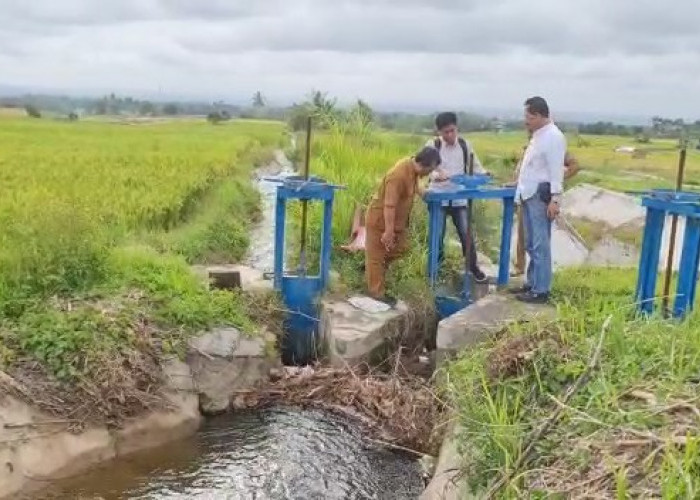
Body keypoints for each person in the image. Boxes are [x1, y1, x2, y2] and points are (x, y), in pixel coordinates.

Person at [365, 146, 441, 306]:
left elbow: (414, 187)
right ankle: (376, 294)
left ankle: (373, 272)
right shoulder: (398, 175)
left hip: (397, 223)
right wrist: (389, 231)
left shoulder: (412, 169)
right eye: (431, 169)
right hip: (380, 221)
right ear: (426, 165)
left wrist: (424, 193)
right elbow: (389, 205)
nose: (430, 174)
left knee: (401, 248)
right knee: (377, 256)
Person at [512, 96, 567, 304]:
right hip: (528, 193)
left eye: (528, 117)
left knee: (540, 243)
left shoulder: (553, 137)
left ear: (538, 115)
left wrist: (555, 199)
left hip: (540, 195)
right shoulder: (538, 135)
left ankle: (541, 290)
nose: (526, 121)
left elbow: (556, 170)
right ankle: (532, 283)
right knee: (531, 244)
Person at [426, 112, 488, 283]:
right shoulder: (433, 145)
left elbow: (476, 167)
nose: (450, 135)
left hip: (460, 197)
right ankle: (434, 271)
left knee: (466, 233)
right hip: (438, 197)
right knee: (437, 236)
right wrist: (436, 175)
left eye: (452, 131)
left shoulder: (465, 145)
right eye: (446, 132)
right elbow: (425, 167)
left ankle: (473, 268)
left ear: (457, 128)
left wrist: (485, 175)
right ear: (439, 132)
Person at [513, 146, 579, 276]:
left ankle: (538, 280)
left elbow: (574, 166)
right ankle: (521, 268)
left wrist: (555, 180)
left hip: (541, 197)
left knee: (538, 240)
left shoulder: (554, 147)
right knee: (523, 236)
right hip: (525, 194)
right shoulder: (531, 146)